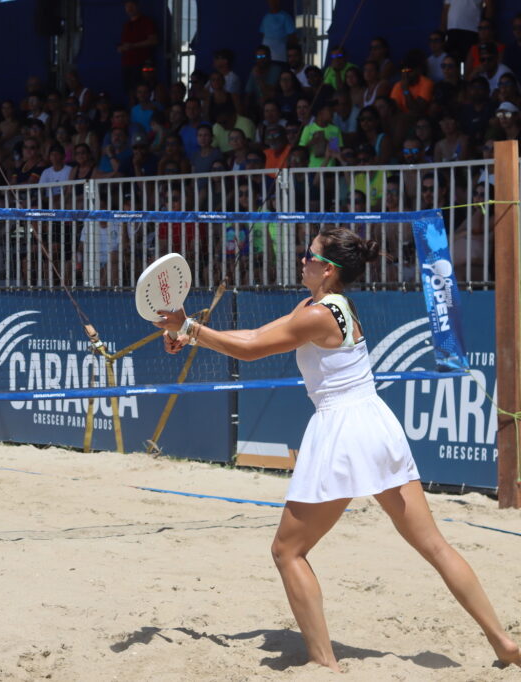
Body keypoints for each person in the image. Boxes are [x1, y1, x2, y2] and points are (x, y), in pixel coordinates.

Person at [155, 226, 521, 672]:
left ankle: (324, 664)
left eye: (310, 256)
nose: (302, 260)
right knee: (436, 547)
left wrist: (189, 327)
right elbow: (253, 332)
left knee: (287, 552)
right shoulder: (319, 305)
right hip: (375, 423)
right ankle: (503, 642)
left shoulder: (318, 315)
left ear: (328, 270)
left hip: (344, 428)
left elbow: (251, 350)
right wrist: (190, 332)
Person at [118, 0, 159, 95]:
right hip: (127, 64)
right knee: (130, 92)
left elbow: (153, 40)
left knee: (144, 91)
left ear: (137, 6)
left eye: (131, 5)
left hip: (142, 64)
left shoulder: (146, 22)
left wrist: (133, 46)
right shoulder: (126, 25)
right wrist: (122, 48)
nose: (129, 8)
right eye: (127, 6)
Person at [260, 0, 296, 66]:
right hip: (266, 57)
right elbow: (263, 35)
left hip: (280, 55)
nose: (272, 2)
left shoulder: (285, 17)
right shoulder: (266, 17)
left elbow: (292, 37)